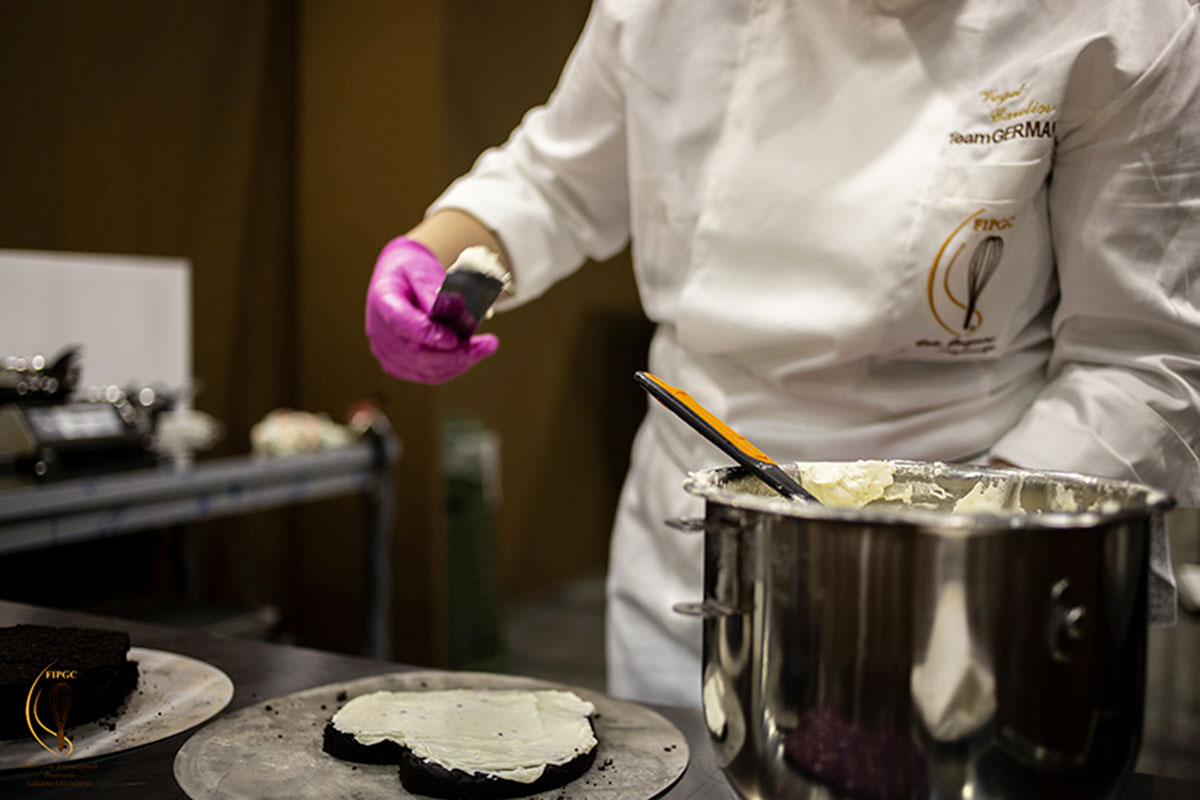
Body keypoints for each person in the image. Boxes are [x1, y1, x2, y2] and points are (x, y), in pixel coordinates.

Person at [365, 0, 1200, 708]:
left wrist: (956, 564)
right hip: (691, 546)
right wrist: (438, 252)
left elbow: (1142, 359)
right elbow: (557, 179)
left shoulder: (1125, 21)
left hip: (968, 571)